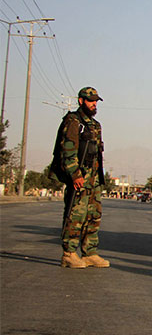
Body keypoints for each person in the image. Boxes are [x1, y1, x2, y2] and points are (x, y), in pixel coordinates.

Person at [55, 86, 108, 269]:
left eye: (95, 101)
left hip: (93, 179)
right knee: (75, 215)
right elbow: (67, 151)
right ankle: (69, 254)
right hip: (79, 177)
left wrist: (98, 180)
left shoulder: (95, 125)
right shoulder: (73, 121)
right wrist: (75, 175)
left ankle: (90, 253)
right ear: (81, 101)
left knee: (93, 215)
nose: (94, 105)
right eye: (90, 101)